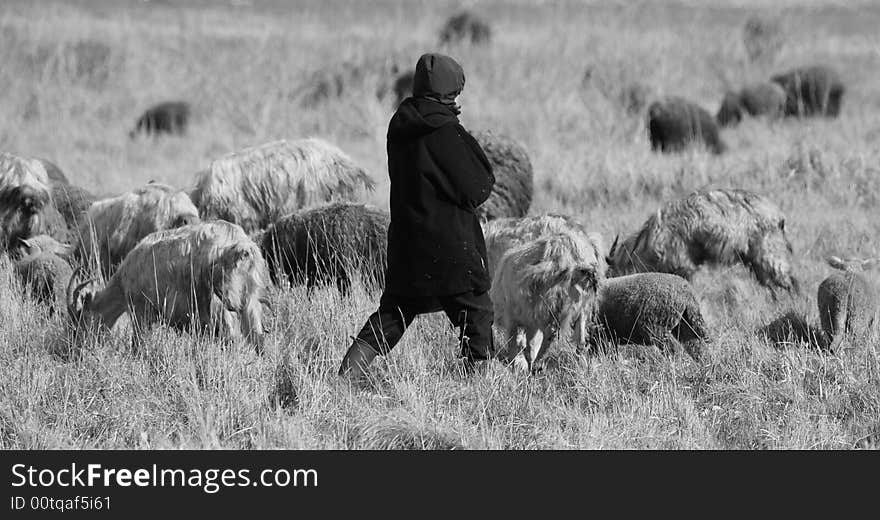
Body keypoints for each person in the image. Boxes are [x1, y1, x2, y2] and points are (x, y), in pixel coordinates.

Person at [338, 52, 496, 380]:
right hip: (450, 246)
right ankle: (480, 390)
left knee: (394, 312)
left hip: (408, 245)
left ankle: (348, 374)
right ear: (449, 93)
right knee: (476, 312)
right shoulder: (445, 132)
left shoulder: (401, 127)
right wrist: (458, 130)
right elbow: (478, 187)